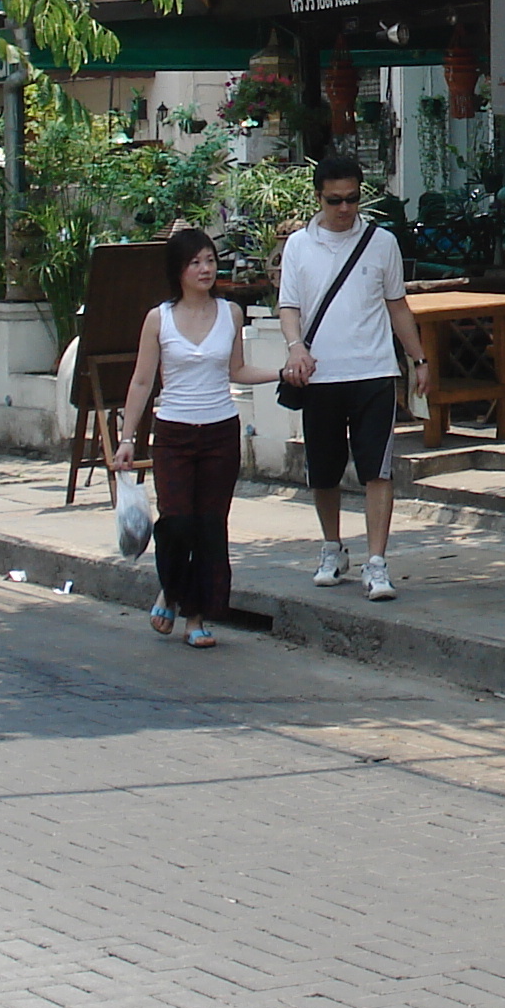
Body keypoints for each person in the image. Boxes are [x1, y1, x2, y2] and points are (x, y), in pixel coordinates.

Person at [115, 227, 283, 649]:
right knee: (177, 524)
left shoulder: (230, 313)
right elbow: (140, 382)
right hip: (172, 432)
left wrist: (279, 374)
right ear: (178, 271)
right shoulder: (159, 319)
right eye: (195, 262)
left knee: (210, 526)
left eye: (210, 260)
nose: (205, 268)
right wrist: (126, 438)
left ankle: (196, 616)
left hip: (219, 432)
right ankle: (169, 591)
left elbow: (237, 371)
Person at [280, 151, 428, 601]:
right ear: (319, 199)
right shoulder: (298, 246)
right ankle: (331, 547)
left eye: (352, 200)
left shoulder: (381, 243)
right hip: (320, 375)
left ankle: (377, 561)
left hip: (373, 371)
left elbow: (397, 303)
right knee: (323, 472)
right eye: (334, 201)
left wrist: (418, 359)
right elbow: (289, 306)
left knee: (377, 470)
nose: (344, 209)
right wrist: (296, 347)